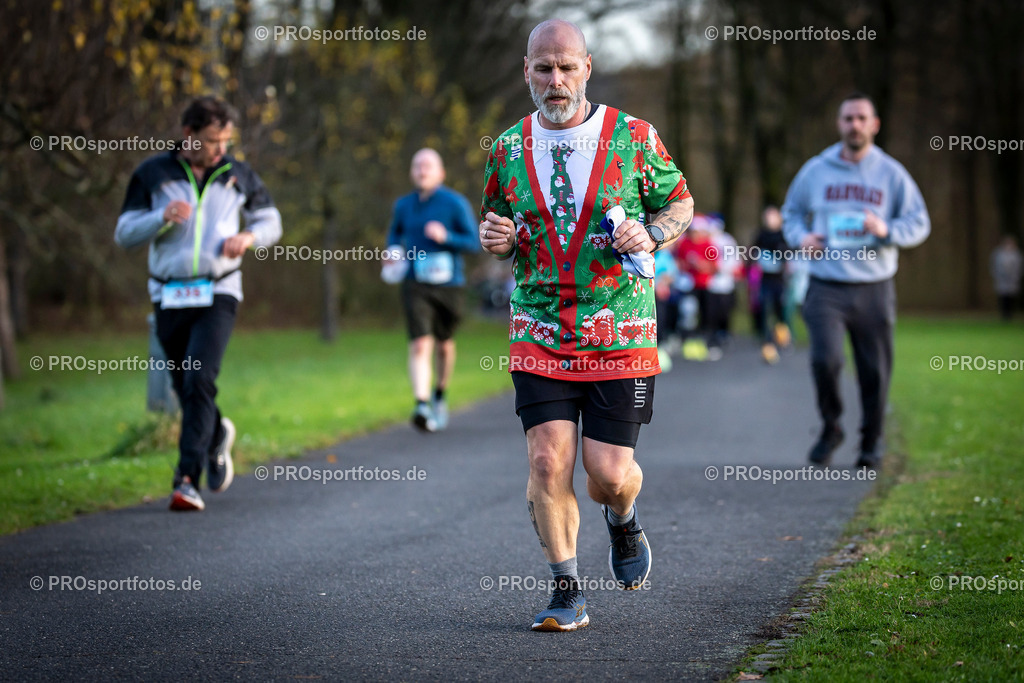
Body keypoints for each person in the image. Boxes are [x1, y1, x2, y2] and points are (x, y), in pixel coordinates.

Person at [479, 19, 694, 631]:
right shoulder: (506, 149)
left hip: (619, 329)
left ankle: (622, 519)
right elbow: (496, 224)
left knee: (608, 474)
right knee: (548, 462)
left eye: (567, 67)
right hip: (540, 328)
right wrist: (496, 239)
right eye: (543, 67)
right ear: (526, 71)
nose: (556, 80)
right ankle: (566, 591)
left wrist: (651, 232)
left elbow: (680, 200)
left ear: (587, 69)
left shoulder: (634, 137)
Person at [115, 96, 282, 511]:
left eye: (226, 140)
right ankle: (216, 433)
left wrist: (249, 237)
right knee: (185, 385)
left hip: (219, 290)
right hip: (168, 293)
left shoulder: (237, 173)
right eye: (212, 140)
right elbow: (124, 234)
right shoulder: (153, 174)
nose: (221, 149)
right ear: (188, 134)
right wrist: (159, 218)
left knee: (199, 378)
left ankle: (186, 479)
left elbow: (271, 220)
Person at [782, 92, 930, 469]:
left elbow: (919, 222)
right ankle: (832, 427)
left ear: (875, 125)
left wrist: (887, 230)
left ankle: (871, 440)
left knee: (874, 370)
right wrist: (801, 238)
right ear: (839, 124)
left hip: (874, 286)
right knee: (825, 360)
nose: (855, 125)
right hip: (826, 285)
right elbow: (791, 213)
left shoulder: (891, 173)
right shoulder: (816, 170)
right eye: (848, 118)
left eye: (862, 118)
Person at [386, 149, 479, 432]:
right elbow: (394, 235)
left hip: (450, 285)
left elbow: (474, 242)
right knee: (419, 343)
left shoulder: (454, 203)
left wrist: (446, 236)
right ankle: (421, 404)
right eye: (417, 165)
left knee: (444, 344)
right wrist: (392, 251)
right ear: (412, 172)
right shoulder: (403, 205)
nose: (422, 170)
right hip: (415, 282)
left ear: (441, 173)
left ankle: (439, 392)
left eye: (428, 166)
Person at [751, 206, 792, 364]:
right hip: (764, 278)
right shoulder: (761, 234)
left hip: (779, 279)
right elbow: (753, 251)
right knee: (763, 306)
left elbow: (788, 253)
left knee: (779, 308)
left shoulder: (783, 235)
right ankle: (766, 338)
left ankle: (783, 337)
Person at [990, 235, 1022, 321]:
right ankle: (1004, 314)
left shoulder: (1016, 254)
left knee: (1011, 297)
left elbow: (1019, 267)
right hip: (1002, 279)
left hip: (1013, 279)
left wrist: (1015, 276)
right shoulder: (998, 254)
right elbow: (994, 266)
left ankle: (1010, 313)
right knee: (1003, 296)